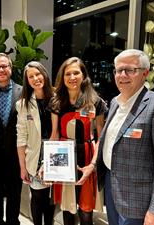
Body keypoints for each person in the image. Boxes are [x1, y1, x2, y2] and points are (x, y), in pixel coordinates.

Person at [96, 49, 154, 225]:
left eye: (130, 70)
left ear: (144, 73)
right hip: (111, 185)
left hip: (138, 199)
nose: (122, 75)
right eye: (118, 70)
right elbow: (109, 141)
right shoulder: (115, 101)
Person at [49, 57, 107, 225]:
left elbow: (100, 137)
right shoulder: (57, 102)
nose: (72, 77)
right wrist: (49, 165)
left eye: (76, 72)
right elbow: (54, 135)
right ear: (62, 77)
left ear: (83, 75)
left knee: (86, 210)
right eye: (68, 73)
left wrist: (93, 165)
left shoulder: (96, 102)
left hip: (88, 156)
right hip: (64, 156)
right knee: (67, 208)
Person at [16, 61, 55, 225]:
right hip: (35, 156)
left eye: (38, 74)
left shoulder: (58, 98)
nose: (35, 78)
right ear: (27, 81)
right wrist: (23, 167)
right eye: (30, 76)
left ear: (44, 74)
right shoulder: (23, 104)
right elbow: (21, 137)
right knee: (38, 196)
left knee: (52, 198)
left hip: (56, 153)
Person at [0, 53, 23, 225]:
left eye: (4, 66)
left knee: (15, 195)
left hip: (16, 155)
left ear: (11, 68)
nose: (1, 70)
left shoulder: (23, 92)